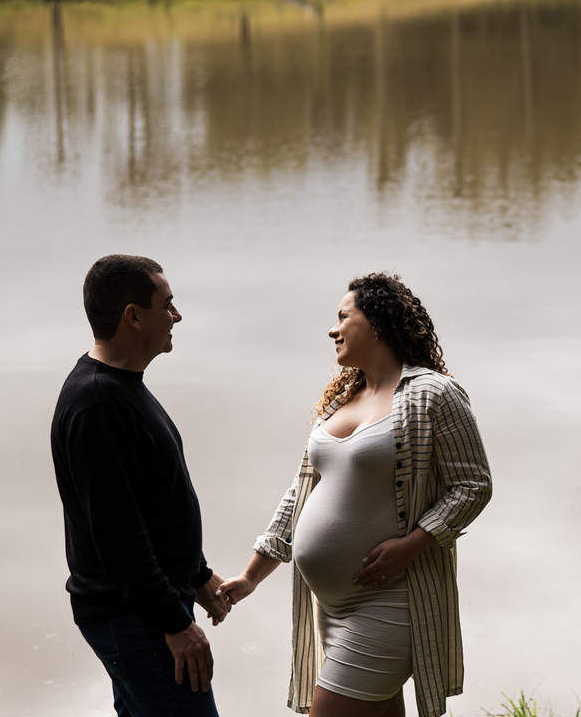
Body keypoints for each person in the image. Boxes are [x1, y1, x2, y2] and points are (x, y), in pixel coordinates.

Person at [218, 273, 491, 717]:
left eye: (343, 316)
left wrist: (411, 545)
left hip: (390, 600)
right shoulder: (343, 399)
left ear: (378, 323)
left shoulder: (433, 394)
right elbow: (300, 493)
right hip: (331, 605)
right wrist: (251, 575)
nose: (333, 329)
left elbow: (474, 485)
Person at [50, 254, 230, 717]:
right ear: (133, 316)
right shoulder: (97, 404)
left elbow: (153, 501)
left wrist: (196, 574)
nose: (177, 315)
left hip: (148, 607)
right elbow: (118, 535)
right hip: (137, 618)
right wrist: (173, 621)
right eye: (167, 304)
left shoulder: (122, 386)